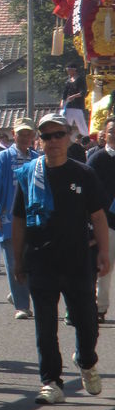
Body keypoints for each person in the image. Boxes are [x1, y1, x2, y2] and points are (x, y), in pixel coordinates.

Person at [14, 112, 110, 404]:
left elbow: (97, 215)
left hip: (77, 259)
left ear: (69, 137)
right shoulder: (30, 173)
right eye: (46, 136)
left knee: (87, 321)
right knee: (45, 324)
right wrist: (17, 259)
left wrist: (105, 252)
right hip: (41, 258)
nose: (52, 141)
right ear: (38, 140)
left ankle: (86, 359)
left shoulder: (83, 173)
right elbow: (18, 219)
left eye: (58, 135)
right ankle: (51, 382)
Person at [0, 116, 37, 318]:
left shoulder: (37, 158)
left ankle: (17, 293)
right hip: (8, 220)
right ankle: (22, 305)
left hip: (34, 219)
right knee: (14, 261)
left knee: (34, 263)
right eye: (21, 133)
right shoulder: (2, 158)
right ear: (14, 135)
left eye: (28, 134)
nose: (25, 137)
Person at [87, 117, 115, 323]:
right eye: (112, 130)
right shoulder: (97, 159)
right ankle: (100, 307)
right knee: (105, 267)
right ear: (104, 134)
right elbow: (88, 192)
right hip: (107, 223)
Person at [61, 61, 89, 136]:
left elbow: (83, 92)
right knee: (66, 123)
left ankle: (87, 137)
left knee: (81, 124)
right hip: (69, 106)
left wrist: (73, 96)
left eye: (69, 70)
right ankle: (65, 137)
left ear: (74, 70)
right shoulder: (68, 81)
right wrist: (62, 101)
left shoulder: (80, 79)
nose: (68, 72)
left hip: (78, 106)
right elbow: (64, 93)